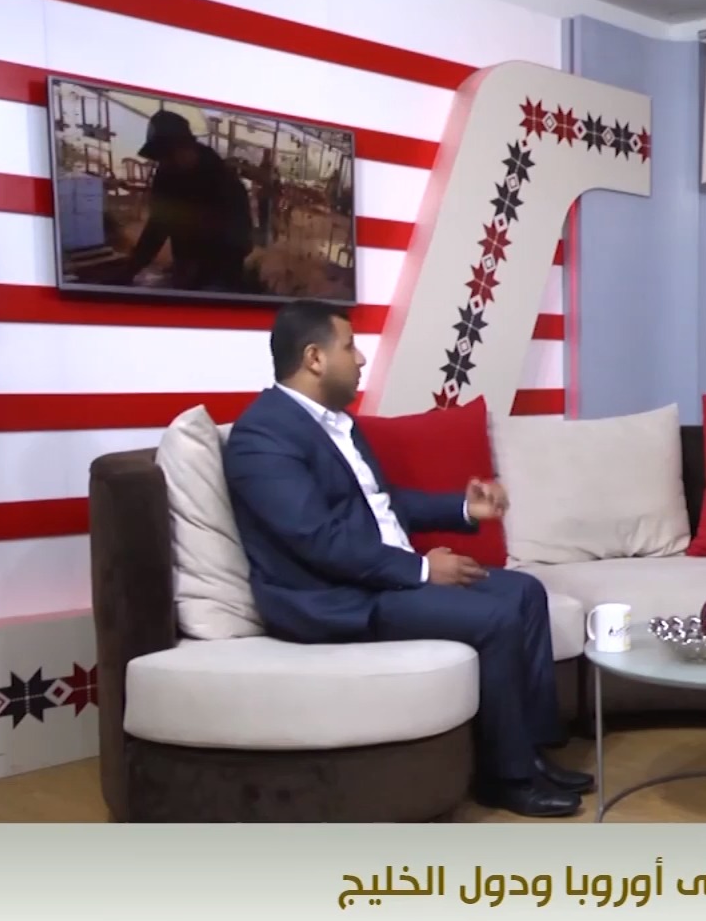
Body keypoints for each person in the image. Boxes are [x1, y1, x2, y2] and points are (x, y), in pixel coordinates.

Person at [221, 300, 591, 818]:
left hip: (378, 578)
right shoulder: (262, 436)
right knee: (494, 617)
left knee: (525, 592)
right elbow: (316, 539)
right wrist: (420, 570)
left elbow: (383, 503)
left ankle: (530, 753)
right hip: (334, 599)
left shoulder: (337, 425)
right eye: (349, 347)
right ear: (314, 358)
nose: (360, 359)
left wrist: (464, 508)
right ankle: (505, 778)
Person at [123, 110, 256, 293]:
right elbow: (157, 226)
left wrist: (202, 268)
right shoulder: (167, 174)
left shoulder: (224, 181)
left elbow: (242, 241)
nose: (164, 163)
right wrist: (130, 270)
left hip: (220, 275)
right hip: (186, 267)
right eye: (161, 158)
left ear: (186, 147)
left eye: (167, 155)